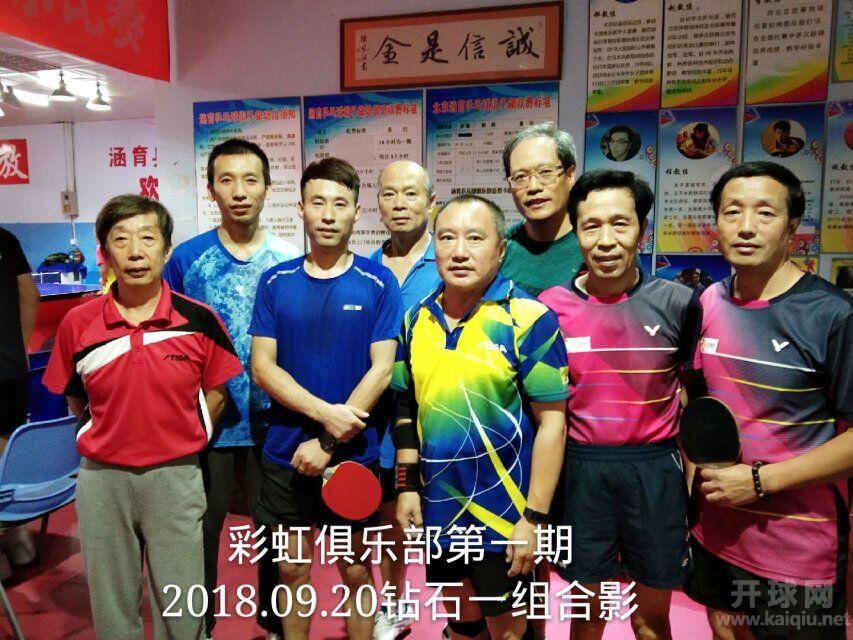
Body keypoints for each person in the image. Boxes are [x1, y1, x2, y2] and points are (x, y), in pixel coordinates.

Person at [43, 194, 243, 639]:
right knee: (112, 608)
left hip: (176, 477)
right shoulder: (77, 323)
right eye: (122, 240)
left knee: (182, 606)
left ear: (166, 250)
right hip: (102, 481)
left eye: (148, 239)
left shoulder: (199, 320)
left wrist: (190, 433)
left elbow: (217, 392)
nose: (135, 252)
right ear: (105, 252)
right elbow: (75, 397)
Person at [683, 161, 852, 639]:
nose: (746, 226)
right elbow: (696, 401)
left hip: (799, 550)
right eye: (732, 211)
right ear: (716, 224)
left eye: (765, 213)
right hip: (716, 534)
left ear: (793, 227)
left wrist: (760, 481)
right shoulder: (707, 302)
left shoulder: (833, 314)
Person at [393, 194, 569, 640]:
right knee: (461, 623)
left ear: (500, 249)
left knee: (509, 631)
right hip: (441, 510)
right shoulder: (415, 319)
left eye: (475, 238)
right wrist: (407, 487)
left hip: (505, 516)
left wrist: (535, 519)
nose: (459, 251)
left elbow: (553, 423)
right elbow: (405, 408)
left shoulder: (528, 318)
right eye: (447, 238)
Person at [538, 170, 701, 640]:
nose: (606, 240)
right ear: (576, 233)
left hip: (655, 471)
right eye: (591, 226)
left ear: (642, 230)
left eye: (620, 224)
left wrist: (692, 487)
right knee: (587, 617)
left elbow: (693, 398)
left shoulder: (680, 303)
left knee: (651, 619)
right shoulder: (550, 307)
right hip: (581, 472)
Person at [249, 157, 402, 640]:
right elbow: (263, 367)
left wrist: (329, 442)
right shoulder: (275, 282)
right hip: (285, 453)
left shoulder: (379, 283)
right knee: (291, 570)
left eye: (340, 204)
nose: (329, 214)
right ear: (301, 208)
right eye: (318, 202)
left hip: (353, 456)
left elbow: (382, 369)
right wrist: (324, 417)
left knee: (355, 570)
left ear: (357, 211)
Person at [164, 138, 300, 640]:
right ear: (211, 190)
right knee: (202, 527)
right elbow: (170, 339)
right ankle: (199, 625)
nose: (239, 191)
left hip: (274, 419)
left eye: (250, 180)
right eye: (227, 180)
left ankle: (274, 623)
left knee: (273, 530)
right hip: (208, 420)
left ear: (268, 187)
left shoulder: (289, 259)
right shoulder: (187, 259)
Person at [369, 159, 441, 640]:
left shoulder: (450, 261)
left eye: (411, 194)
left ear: (432, 202)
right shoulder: (364, 267)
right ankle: (394, 605)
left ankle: (463, 614)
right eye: (389, 194)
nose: (400, 204)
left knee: (444, 516)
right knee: (390, 517)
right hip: (378, 413)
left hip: (437, 412)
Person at [500, 122, 584, 297]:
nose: (533, 187)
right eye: (520, 177)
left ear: (570, 175)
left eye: (545, 172)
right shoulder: (501, 249)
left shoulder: (598, 244)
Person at [0, 226, 40, 577]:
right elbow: (29, 295)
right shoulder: (5, 239)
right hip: (9, 365)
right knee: (5, 449)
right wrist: (21, 344)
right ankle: (17, 539)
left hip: (9, 365)